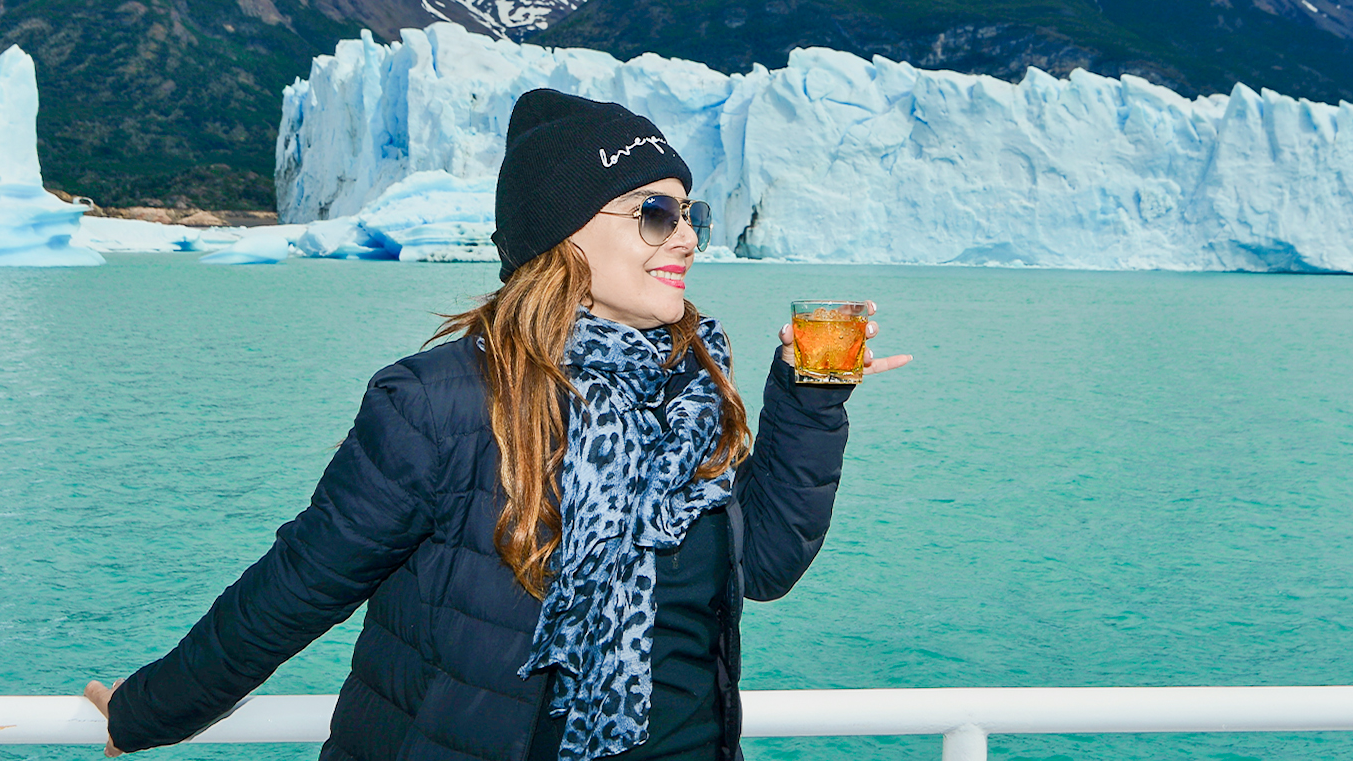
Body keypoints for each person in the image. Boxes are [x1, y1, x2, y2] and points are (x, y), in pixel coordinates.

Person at [84, 88, 910, 761]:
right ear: (561, 235)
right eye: (656, 212)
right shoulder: (438, 404)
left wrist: (808, 400)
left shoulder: (689, 392)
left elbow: (761, 565)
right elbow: (297, 588)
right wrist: (145, 712)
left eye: (691, 214)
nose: (686, 236)